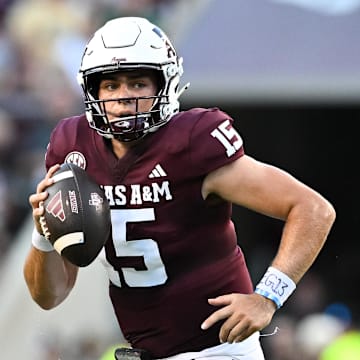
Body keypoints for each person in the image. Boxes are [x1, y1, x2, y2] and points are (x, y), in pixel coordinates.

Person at [24, 17, 336, 360]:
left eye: (137, 83)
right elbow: (48, 296)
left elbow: (312, 208)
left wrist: (268, 297)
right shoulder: (73, 148)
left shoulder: (191, 142)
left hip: (216, 352)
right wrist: (43, 234)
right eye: (110, 86)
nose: (123, 98)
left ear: (165, 83)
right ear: (92, 90)